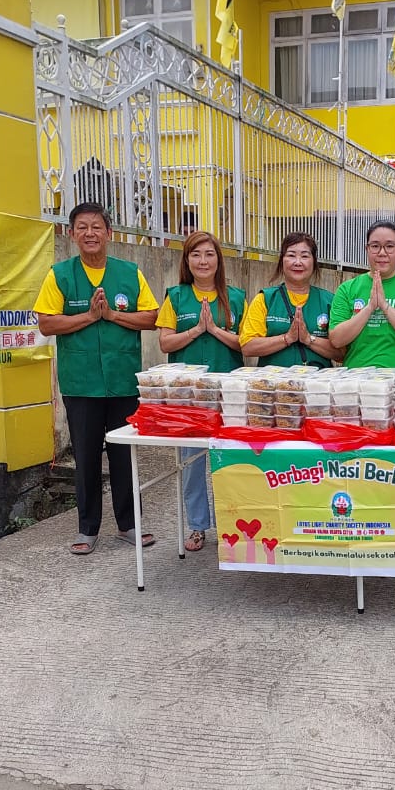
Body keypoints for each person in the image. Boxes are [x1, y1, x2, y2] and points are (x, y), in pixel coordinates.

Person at [34, 202, 159, 556]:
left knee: (124, 455)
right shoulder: (60, 275)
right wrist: (89, 317)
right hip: (81, 383)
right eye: (82, 227)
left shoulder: (130, 273)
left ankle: (128, 524)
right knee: (86, 458)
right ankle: (87, 528)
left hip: (122, 379)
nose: (90, 233)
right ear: (71, 233)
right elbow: (46, 323)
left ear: (109, 232)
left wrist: (113, 315)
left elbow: (152, 317)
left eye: (96, 227)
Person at [156, 230, 246, 553]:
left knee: (229, 460)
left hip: (226, 393)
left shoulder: (236, 297)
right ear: (187, 260)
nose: (203, 261)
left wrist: (215, 330)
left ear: (218, 260)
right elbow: (165, 342)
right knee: (192, 463)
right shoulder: (176, 297)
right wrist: (196, 330)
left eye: (209, 254)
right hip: (188, 396)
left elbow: (246, 343)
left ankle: (233, 525)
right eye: (196, 254)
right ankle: (197, 526)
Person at [328, 221, 395, 372]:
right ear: (367, 249)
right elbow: (337, 340)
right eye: (375, 246)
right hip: (355, 377)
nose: (382, 253)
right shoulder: (347, 289)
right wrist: (369, 308)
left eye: (389, 246)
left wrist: (385, 306)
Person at [239, 232, 343, 367]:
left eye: (305, 256)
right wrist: (287, 338)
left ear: (314, 261)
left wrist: (308, 339)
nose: (298, 262)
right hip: (274, 380)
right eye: (291, 255)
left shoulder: (329, 301)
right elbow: (247, 347)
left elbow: (342, 353)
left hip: (318, 379)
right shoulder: (265, 299)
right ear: (282, 260)